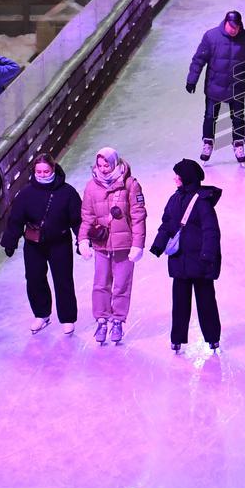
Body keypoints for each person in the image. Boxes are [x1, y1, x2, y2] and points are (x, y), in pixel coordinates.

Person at [0, 152, 81, 336]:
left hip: (60, 242)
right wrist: (10, 241)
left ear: (53, 169)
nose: (43, 175)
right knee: (35, 278)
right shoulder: (26, 194)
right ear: (34, 171)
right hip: (34, 244)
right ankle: (42, 314)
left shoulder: (67, 192)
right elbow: (16, 219)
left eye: (46, 171)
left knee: (63, 280)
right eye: (39, 171)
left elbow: (77, 219)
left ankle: (67, 318)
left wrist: (81, 239)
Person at [150, 159, 222, 354]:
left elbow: (211, 230)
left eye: (178, 175)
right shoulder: (174, 199)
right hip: (180, 262)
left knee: (206, 303)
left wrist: (208, 254)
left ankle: (213, 337)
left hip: (200, 262)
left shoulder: (202, 201)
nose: (175, 178)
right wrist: (158, 245)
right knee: (180, 304)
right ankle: (177, 338)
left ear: (186, 178)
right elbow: (167, 225)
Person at [78, 147, 147, 344]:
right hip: (101, 245)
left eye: (106, 165)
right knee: (100, 284)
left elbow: (138, 216)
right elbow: (87, 217)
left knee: (121, 285)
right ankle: (101, 319)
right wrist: (83, 239)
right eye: (100, 165)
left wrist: (138, 244)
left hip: (124, 246)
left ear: (114, 162)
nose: (103, 169)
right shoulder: (91, 187)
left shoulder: (130, 185)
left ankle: (117, 320)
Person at [186, 9, 245, 163]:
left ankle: (238, 144)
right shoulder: (211, 36)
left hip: (237, 87)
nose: (234, 30)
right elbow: (199, 59)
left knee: (238, 118)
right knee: (209, 117)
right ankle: (208, 142)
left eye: (237, 27)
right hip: (214, 86)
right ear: (226, 22)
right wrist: (192, 79)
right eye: (232, 26)